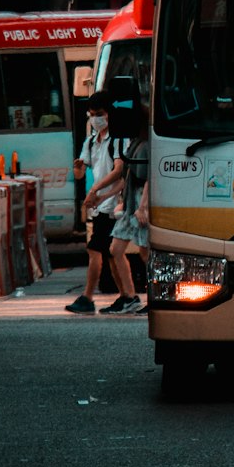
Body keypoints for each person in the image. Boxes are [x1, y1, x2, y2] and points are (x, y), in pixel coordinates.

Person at [64, 94, 124, 315]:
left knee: (96, 250)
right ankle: (126, 295)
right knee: (110, 253)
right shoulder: (90, 142)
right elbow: (80, 173)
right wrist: (78, 168)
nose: (96, 119)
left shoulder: (117, 139)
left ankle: (88, 297)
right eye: (92, 115)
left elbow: (119, 171)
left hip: (112, 204)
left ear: (109, 114)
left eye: (100, 115)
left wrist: (95, 189)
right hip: (100, 205)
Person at [101, 110, 149, 315]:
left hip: (140, 201)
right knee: (116, 248)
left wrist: (143, 206)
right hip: (131, 201)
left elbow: (150, 178)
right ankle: (129, 295)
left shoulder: (147, 144)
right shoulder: (135, 142)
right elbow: (127, 176)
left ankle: (152, 296)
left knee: (146, 251)